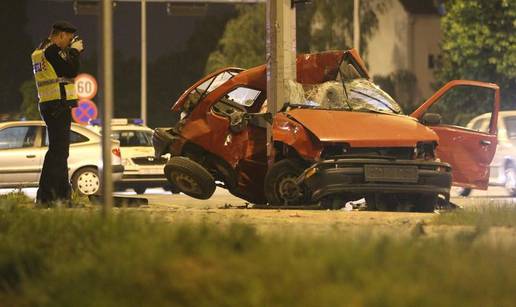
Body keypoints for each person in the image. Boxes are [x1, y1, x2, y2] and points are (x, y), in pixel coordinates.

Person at [31, 21, 84, 204]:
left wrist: (70, 52)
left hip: (50, 105)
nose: (69, 43)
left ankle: (60, 196)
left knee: (59, 152)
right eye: (68, 40)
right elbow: (70, 70)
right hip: (57, 106)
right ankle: (48, 197)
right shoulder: (51, 51)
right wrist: (75, 52)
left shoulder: (40, 51)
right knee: (58, 152)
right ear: (60, 35)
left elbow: (60, 71)